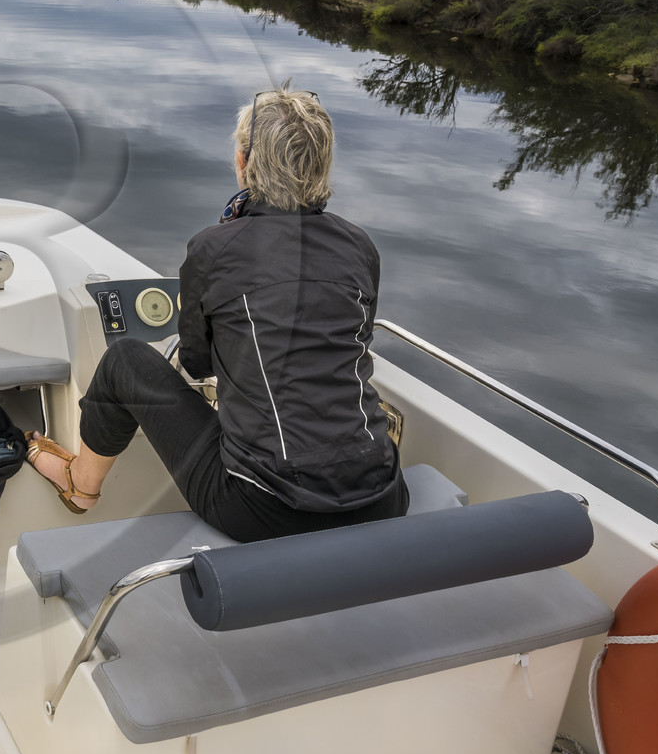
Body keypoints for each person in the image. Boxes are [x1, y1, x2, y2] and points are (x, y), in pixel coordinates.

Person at [26, 87, 408, 542]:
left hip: (263, 508)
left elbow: (197, 363)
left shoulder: (213, 249)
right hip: (384, 498)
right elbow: (357, 341)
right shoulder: (360, 246)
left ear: (244, 163)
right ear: (322, 165)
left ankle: (81, 485)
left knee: (125, 360)